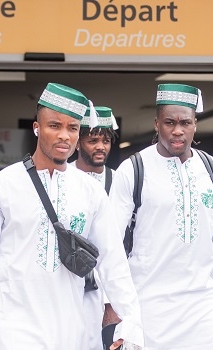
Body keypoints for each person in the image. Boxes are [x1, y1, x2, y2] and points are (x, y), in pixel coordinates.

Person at [0, 83, 144, 350]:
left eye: (72, 128)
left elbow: (113, 262)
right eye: (54, 126)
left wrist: (131, 323)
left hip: (71, 329)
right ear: (37, 127)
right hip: (13, 329)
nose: (64, 136)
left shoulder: (90, 191)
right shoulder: (3, 185)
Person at [109, 83, 213, 349]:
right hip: (148, 306)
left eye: (186, 122)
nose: (178, 130)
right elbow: (109, 243)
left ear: (195, 124)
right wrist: (113, 303)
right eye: (169, 122)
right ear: (157, 124)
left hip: (203, 306)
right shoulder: (133, 169)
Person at [70, 105, 122, 349]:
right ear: (78, 143)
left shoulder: (120, 180)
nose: (101, 146)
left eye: (106, 140)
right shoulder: (63, 176)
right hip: (68, 286)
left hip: (109, 290)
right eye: (93, 140)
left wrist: (112, 302)